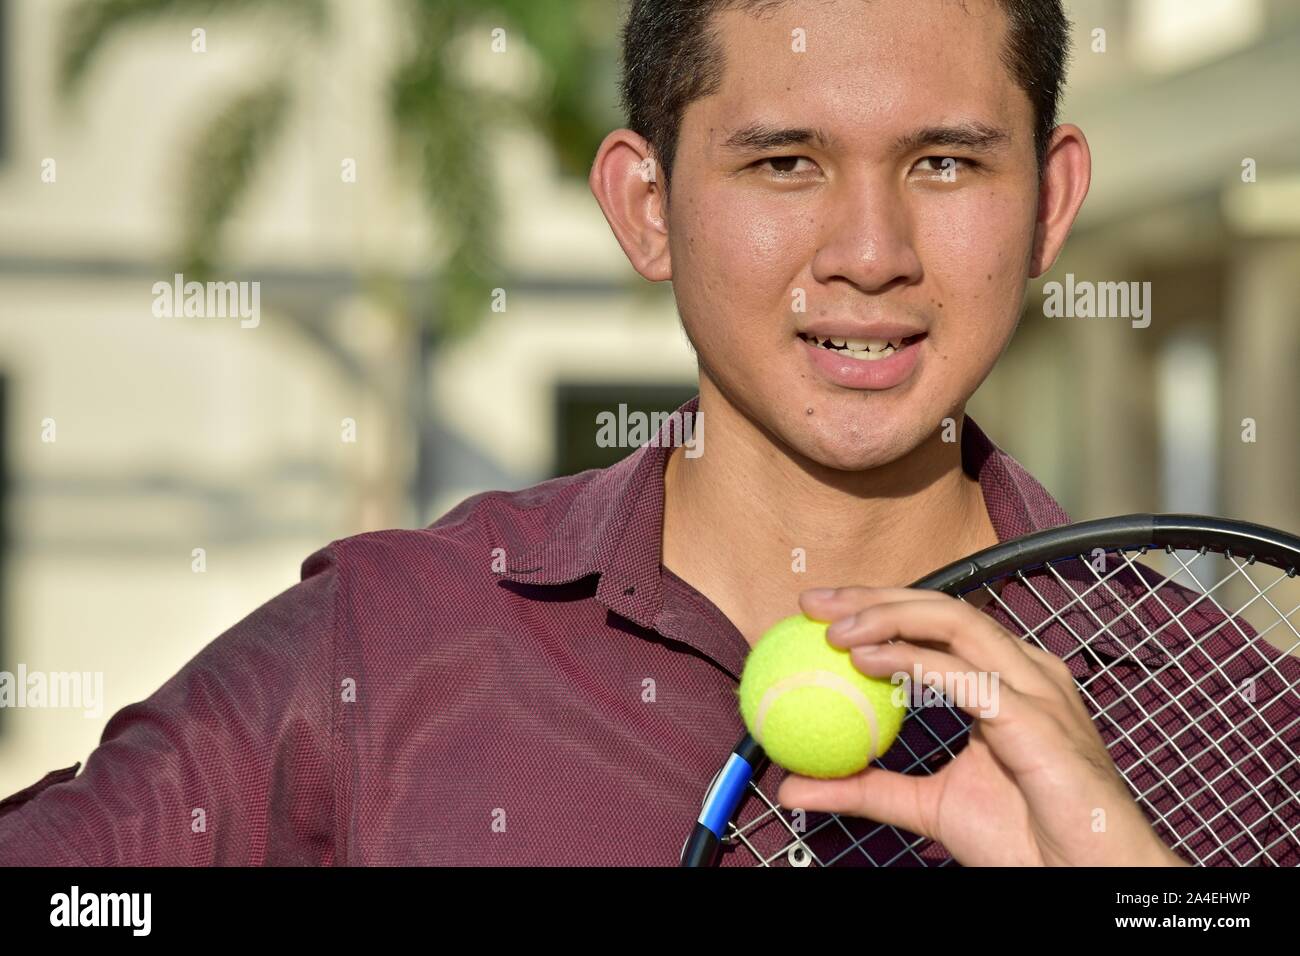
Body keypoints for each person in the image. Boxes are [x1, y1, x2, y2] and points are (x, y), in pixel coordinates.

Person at [0, 0, 1186, 866]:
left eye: (943, 161)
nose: (868, 252)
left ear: (1050, 202)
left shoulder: (1228, 700)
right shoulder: (385, 647)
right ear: (647, 207)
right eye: (783, 162)